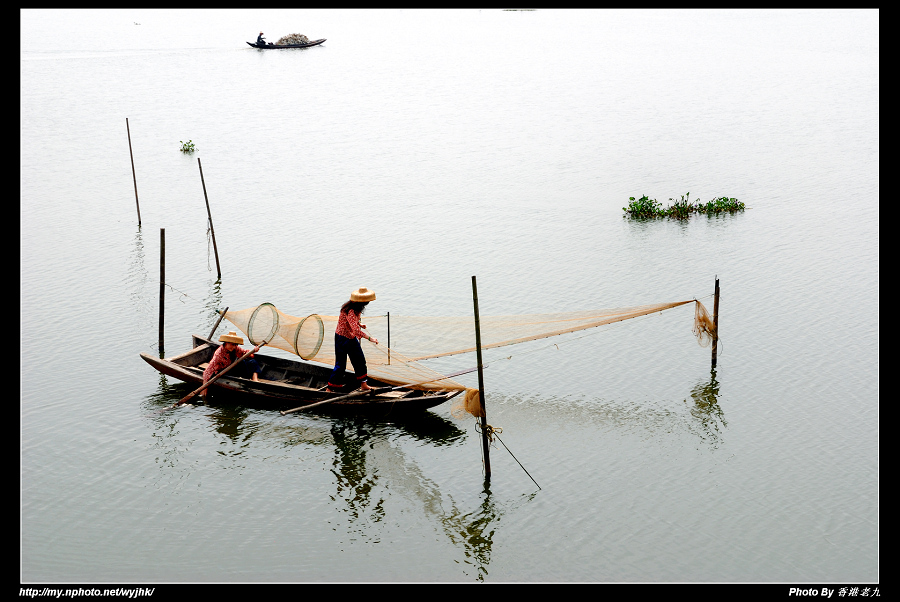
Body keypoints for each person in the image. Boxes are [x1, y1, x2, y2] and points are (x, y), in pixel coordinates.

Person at [326, 287, 379, 393]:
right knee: (341, 365)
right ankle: (330, 388)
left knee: (360, 360)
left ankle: (364, 385)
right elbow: (355, 330)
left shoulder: (356, 309)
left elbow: (353, 323)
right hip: (342, 338)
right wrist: (370, 338)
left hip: (350, 337)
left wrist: (360, 323)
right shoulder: (350, 310)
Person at [201, 331, 261, 398]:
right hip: (223, 371)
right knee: (241, 362)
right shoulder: (218, 354)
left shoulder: (235, 348)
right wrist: (204, 387)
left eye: (235, 345)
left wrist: (254, 350)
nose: (234, 347)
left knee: (252, 362)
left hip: (231, 367)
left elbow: (244, 352)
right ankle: (245, 380)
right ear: (226, 343)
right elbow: (207, 371)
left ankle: (255, 379)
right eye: (232, 344)